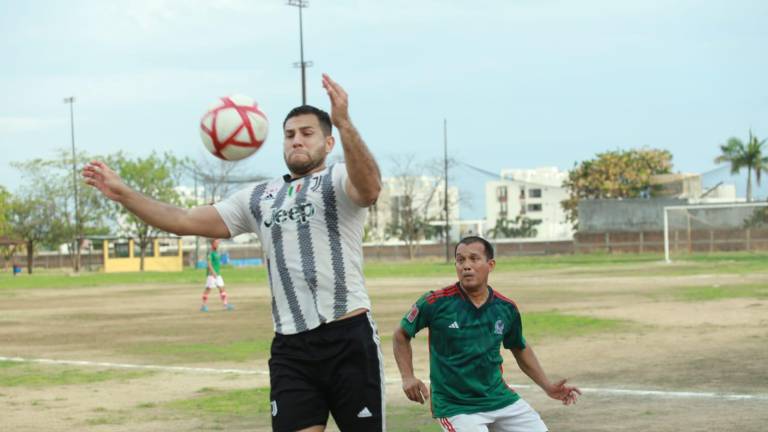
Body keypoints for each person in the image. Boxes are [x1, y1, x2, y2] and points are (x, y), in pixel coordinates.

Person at [83, 74, 385, 432]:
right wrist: (125, 194)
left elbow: (369, 187)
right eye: (289, 135)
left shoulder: (338, 179)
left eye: (307, 133)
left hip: (347, 336)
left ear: (329, 141)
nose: (296, 141)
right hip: (291, 346)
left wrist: (345, 121)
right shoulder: (258, 196)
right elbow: (183, 219)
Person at [393, 236, 581, 432]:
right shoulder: (435, 302)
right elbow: (401, 334)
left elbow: (519, 347)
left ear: (490, 265)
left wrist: (548, 387)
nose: (466, 266)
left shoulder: (505, 308)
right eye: (460, 260)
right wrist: (407, 377)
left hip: (499, 399)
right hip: (457, 407)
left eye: (474, 259)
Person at [200, 238, 233, 312]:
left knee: (222, 289)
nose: (217, 244)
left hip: (218, 274)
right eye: (216, 243)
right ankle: (203, 305)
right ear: (212, 244)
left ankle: (225, 305)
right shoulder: (210, 253)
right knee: (208, 289)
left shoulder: (216, 252)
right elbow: (209, 264)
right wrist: (213, 272)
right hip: (212, 275)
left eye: (218, 243)